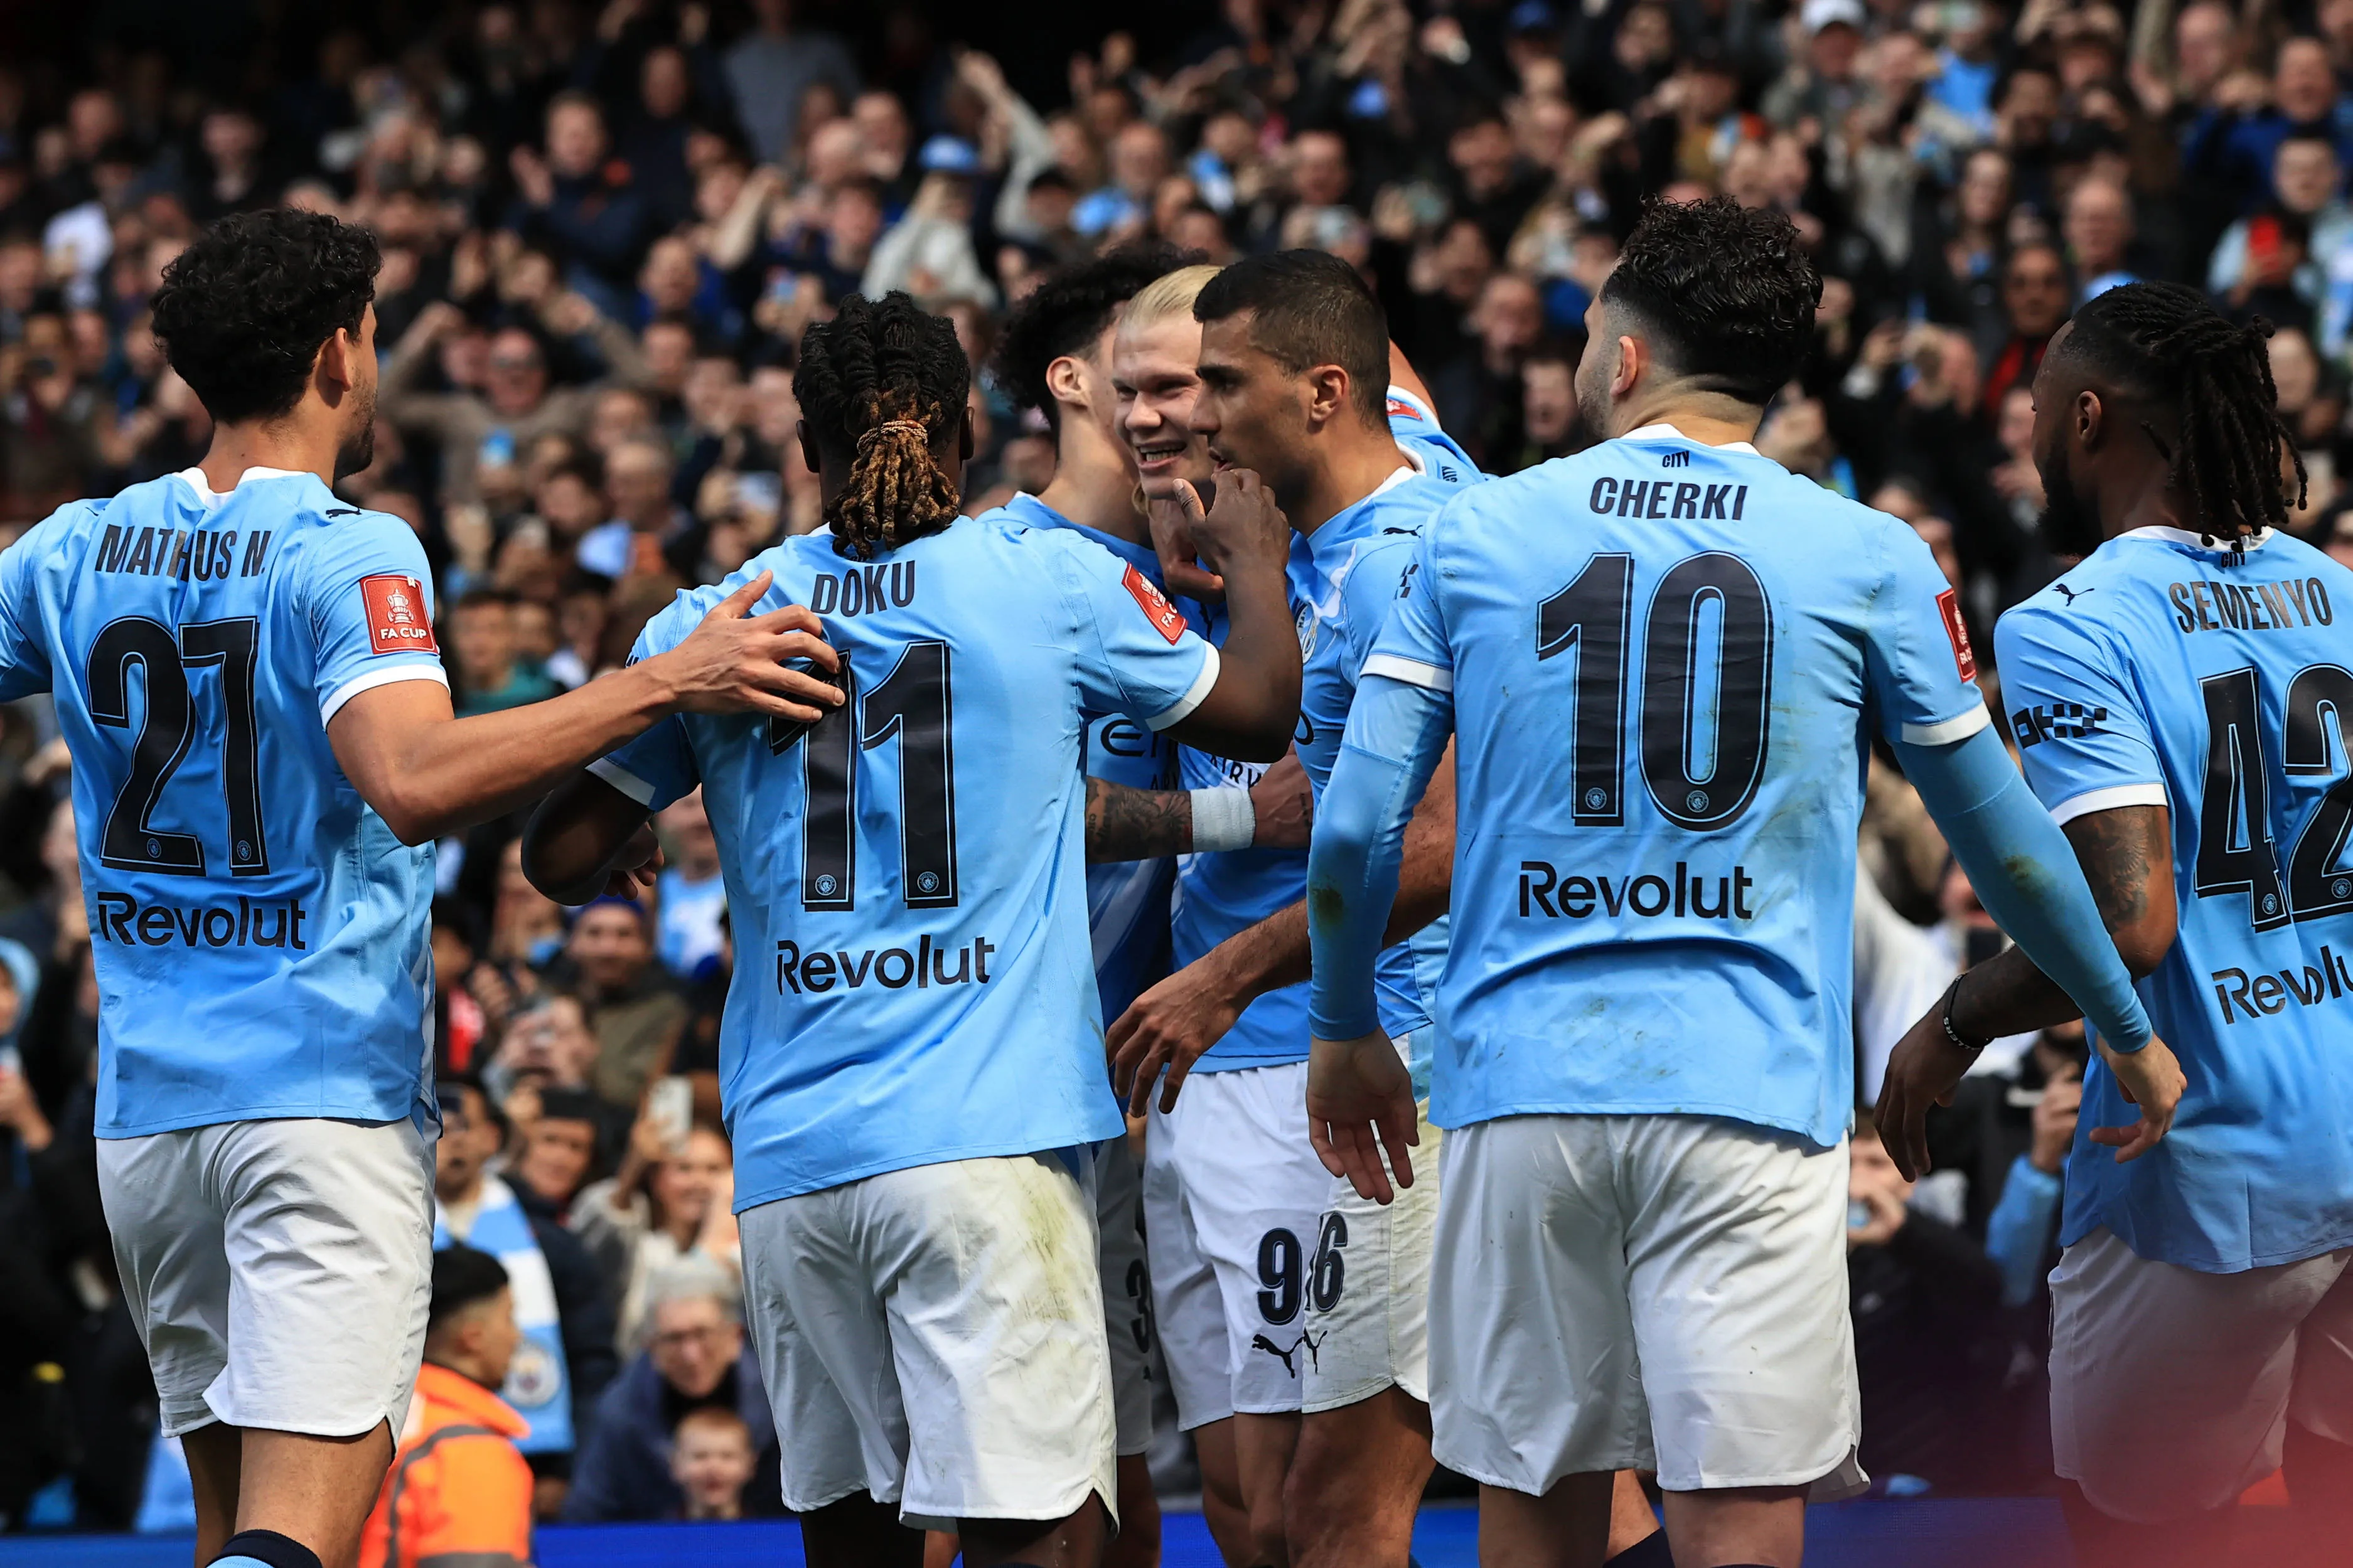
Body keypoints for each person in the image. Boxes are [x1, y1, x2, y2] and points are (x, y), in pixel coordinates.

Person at [1303, 196, 2167, 1568]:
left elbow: (1354, 829)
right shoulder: (1865, 552)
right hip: (1747, 1101)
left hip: (1520, 1087)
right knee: (1737, 1517)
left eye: (1588, 330)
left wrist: (1341, 1025)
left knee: (1534, 1509)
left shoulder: (1471, 537)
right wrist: (2123, 1026)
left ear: (1626, 361)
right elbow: (2004, 840)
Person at [0, 206, 842, 1568]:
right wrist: (658, 685)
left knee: (235, 1529)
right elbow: (411, 776)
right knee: (296, 1548)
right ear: (339, 354)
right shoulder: (351, 547)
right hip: (317, 1106)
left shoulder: (73, 547)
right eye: (376, 339)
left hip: (150, 1120)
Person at [517, 291, 1300, 1568]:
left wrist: (625, 823)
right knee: (1032, 1530)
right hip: (982, 1146)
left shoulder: (725, 615)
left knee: (853, 1540)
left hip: (791, 1163)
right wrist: (1256, 561)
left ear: (805, 450)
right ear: (966, 431)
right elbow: (1260, 712)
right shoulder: (1041, 577)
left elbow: (554, 853)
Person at [1877, 280, 2353, 1568]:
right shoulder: (2329, 583)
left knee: (2137, 1538)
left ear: (2085, 416)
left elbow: (2126, 923)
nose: (2024, 437)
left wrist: (1949, 1019)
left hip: (2202, 1164)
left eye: (2033, 408)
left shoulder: (2067, 621)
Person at [431, 1078, 617, 1509]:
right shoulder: (390, 1239)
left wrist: (567, 1469)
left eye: (463, 1126)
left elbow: (592, 1360)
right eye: (436, 1125)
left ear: (492, 1138)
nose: (450, 1141)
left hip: (538, 1466)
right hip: (424, 1456)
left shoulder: (549, 1241)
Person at [358, 1247, 533, 1568]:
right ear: (472, 1337)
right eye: (509, 1318)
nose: (517, 1336)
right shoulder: (469, 1449)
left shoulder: (370, 1416)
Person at [564, 1270, 775, 1524]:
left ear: (735, 1337)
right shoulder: (622, 1415)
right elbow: (587, 1515)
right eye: (674, 1339)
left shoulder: (780, 1406)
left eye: (702, 1334)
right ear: (650, 1346)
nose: (691, 1355)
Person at [670, 1406, 759, 1523]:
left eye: (727, 1456)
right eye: (700, 1456)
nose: (714, 1468)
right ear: (675, 1466)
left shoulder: (770, 1531)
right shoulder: (654, 1532)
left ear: (750, 1466)